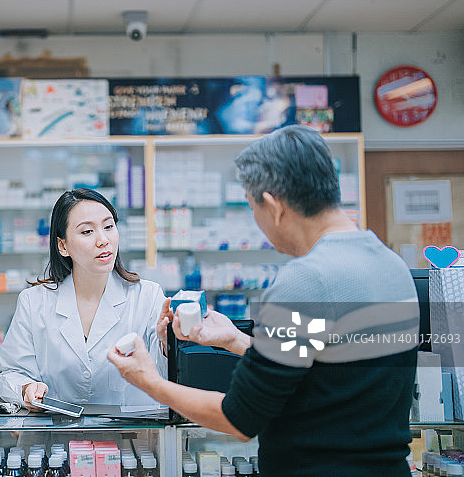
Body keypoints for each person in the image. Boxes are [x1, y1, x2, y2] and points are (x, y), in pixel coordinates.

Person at [108, 125, 420, 477]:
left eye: (252, 208)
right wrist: (233, 340)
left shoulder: (304, 281)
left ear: (273, 206)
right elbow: (332, 368)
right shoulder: (391, 264)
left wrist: (151, 382)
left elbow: (239, 419)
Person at [0, 188, 167, 410]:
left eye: (109, 227)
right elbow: (12, 373)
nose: (103, 240)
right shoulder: (34, 302)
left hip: (129, 439)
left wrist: (169, 344)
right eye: (87, 231)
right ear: (63, 246)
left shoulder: (148, 296)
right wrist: (26, 388)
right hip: (53, 439)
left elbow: (166, 374)